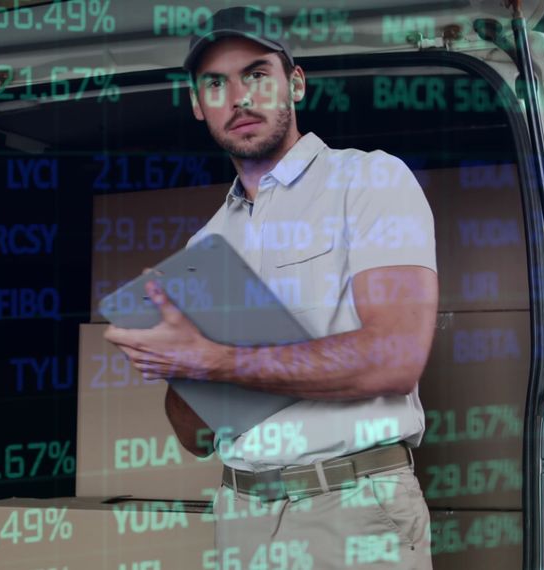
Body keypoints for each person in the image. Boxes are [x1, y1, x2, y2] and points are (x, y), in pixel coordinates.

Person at [103, 6, 439, 569]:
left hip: (353, 509)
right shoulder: (208, 240)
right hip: (241, 515)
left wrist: (214, 360)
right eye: (216, 84)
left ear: (295, 83)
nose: (238, 97)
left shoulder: (369, 179)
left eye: (256, 74)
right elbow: (196, 436)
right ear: (197, 104)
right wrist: (174, 360)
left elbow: (395, 358)